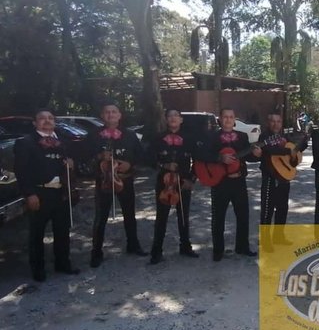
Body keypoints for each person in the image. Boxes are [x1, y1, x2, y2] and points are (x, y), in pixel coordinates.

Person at [13, 109, 80, 282]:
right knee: (37, 233)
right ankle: (38, 269)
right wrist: (29, 194)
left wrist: (72, 164)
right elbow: (21, 171)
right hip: (39, 192)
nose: (47, 121)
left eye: (50, 118)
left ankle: (63, 263)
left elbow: (71, 163)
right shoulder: (25, 142)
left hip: (61, 192)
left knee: (62, 230)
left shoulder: (63, 142)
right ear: (35, 123)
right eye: (42, 118)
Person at [196, 108, 262, 261]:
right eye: (225, 117)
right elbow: (200, 155)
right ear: (220, 119)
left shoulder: (242, 136)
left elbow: (248, 157)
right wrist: (220, 158)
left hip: (238, 181)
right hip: (220, 182)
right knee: (218, 217)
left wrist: (257, 155)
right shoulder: (211, 136)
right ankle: (218, 250)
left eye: (231, 117)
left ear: (234, 119)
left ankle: (242, 246)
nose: (228, 120)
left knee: (243, 215)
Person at [88, 102, 146, 268]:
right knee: (101, 217)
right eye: (107, 112)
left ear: (120, 115)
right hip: (104, 181)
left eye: (114, 112)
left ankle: (133, 245)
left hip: (124, 179)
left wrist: (130, 164)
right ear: (102, 115)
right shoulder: (93, 135)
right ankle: (96, 252)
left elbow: (141, 156)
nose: (111, 115)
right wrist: (99, 156)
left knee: (129, 214)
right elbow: (82, 156)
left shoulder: (129, 135)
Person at [148, 109, 197, 264]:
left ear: (181, 119)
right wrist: (164, 164)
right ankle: (156, 251)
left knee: (183, 216)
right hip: (164, 181)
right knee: (161, 217)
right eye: (170, 116)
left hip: (183, 181)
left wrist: (192, 179)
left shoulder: (190, 138)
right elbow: (148, 159)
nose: (173, 118)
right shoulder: (158, 138)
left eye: (176, 115)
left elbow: (198, 161)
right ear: (166, 120)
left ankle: (185, 247)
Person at [259, 112, 308, 247]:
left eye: (278, 121)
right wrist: (288, 152)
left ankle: (279, 237)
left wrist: (303, 143)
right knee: (267, 210)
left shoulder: (284, 137)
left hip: (284, 177)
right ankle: (265, 241)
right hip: (269, 177)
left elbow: (294, 153)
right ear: (268, 123)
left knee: (282, 209)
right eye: (273, 121)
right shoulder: (264, 137)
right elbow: (270, 150)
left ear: (281, 123)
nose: (276, 124)